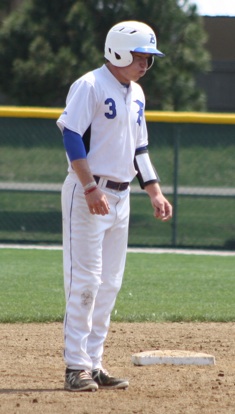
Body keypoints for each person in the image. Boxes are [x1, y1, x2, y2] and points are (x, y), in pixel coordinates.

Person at [57, 20, 172, 392]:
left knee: (109, 284)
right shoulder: (90, 85)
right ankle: (76, 367)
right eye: (141, 57)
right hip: (88, 193)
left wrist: (153, 190)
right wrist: (89, 186)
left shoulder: (136, 93)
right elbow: (71, 134)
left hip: (121, 196)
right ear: (119, 51)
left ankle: (94, 363)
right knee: (85, 282)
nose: (145, 65)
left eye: (149, 59)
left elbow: (140, 148)